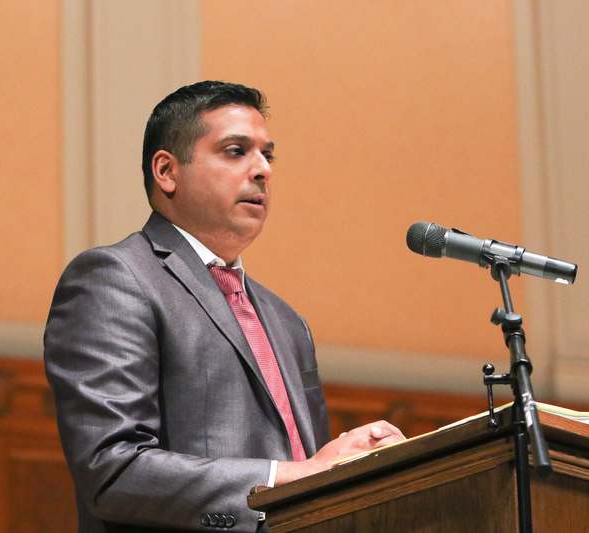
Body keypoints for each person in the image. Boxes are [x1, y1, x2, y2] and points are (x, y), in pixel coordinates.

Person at [44, 81, 405, 533]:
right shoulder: (115, 278)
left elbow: (308, 470)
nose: (262, 170)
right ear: (166, 171)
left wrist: (351, 460)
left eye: (267, 155)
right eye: (236, 151)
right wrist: (298, 475)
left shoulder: (288, 322)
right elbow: (112, 471)